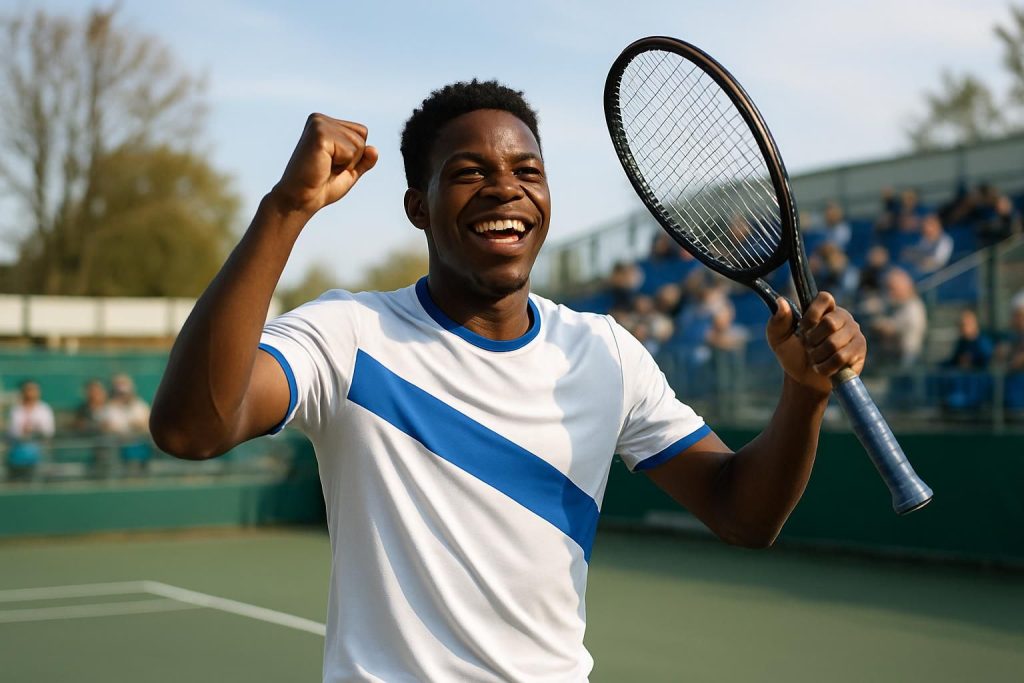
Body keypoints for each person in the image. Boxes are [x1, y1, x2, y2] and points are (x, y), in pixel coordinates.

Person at [150, 80, 867, 682]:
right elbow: (194, 427)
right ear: (418, 208)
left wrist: (804, 392)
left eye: (528, 170)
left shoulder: (605, 353)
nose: (505, 188)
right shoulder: (348, 335)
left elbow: (744, 514)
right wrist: (286, 209)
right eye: (469, 171)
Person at [869, 268, 928, 369]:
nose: (889, 293)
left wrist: (879, 324)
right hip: (891, 359)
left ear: (906, 287)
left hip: (906, 363)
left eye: (892, 288)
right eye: (888, 288)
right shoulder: (897, 305)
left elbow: (890, 329)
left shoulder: (913, 307)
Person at [5, 380, 55, 482]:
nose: (31, 393)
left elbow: (48, 431)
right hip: (18, 450)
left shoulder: (44, 409)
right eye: (28, 390)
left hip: (40, 450)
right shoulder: (16, 410)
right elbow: (14, 432)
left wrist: (32, 430)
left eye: (34, 390)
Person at [102, 374, 151, 474]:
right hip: (118, 445)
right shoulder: (110, 407)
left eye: (125, 392)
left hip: (139, 444)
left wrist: (137, 426)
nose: (123, 396)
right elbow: (109, 427)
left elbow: (146, 426)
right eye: (120, 393)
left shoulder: (140, 406)